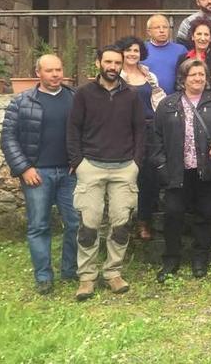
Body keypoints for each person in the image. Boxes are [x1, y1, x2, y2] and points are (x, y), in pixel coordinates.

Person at [66, 45, 144, 301]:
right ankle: (87, 277)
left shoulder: (131, 95)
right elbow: (73, 129)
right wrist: (78, 161)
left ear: (122, 65)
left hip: (124, 169)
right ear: (99, 62)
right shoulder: (84, 94)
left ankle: (113, 273)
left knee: (121, 225)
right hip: (92, 167)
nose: (112, 67)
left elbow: (140, 131)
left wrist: (136, 163)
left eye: (117, 63)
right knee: (88, 226)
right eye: (108, 62)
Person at [0, 54, 78, 295]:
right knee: (39, 226)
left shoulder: (75, 98)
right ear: (38, 73)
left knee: (76, 223)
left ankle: (70, 270)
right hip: (37, 174)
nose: (55, 75)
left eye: (58, 69)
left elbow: (86, 131)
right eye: (49, 70)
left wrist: (79, 160)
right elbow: (8, 138)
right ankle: (43, 277)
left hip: (69, 173)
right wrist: (23, 168)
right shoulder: (22, 102)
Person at [152, 59, 211, 282]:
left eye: (201, 74)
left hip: (206, 170)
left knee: (204, 216)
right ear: (183, 79)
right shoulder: (168, 104)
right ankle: (171, 260)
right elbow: (156, 137)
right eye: (193, 75)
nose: (198, 78)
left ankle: (200, 259)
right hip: (176, 172)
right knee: (173, 216)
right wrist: (162, 166)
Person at [118, 36, 166, 242]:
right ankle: (121, 222)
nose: (132, 54)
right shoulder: (116, 75)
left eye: (136, 51)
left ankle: (144, 221)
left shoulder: (148, 75)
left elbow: (158, 98)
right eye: (128, 50)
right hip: (125, 131)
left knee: (149, 177)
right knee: (126, 176)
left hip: (149, 128)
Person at [179, 17, 211, 92]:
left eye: (206, 34)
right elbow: (178, 83)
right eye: (199, 34)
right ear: (192, 36)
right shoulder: (183, 58)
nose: (202, 38)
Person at [144, 14, 187, 95]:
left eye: (165, 27)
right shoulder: (141, 50)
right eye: (157, 27)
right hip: (146, 99)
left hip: (174, 100)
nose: (162, 30)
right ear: (149, 32)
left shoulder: (181, 50)